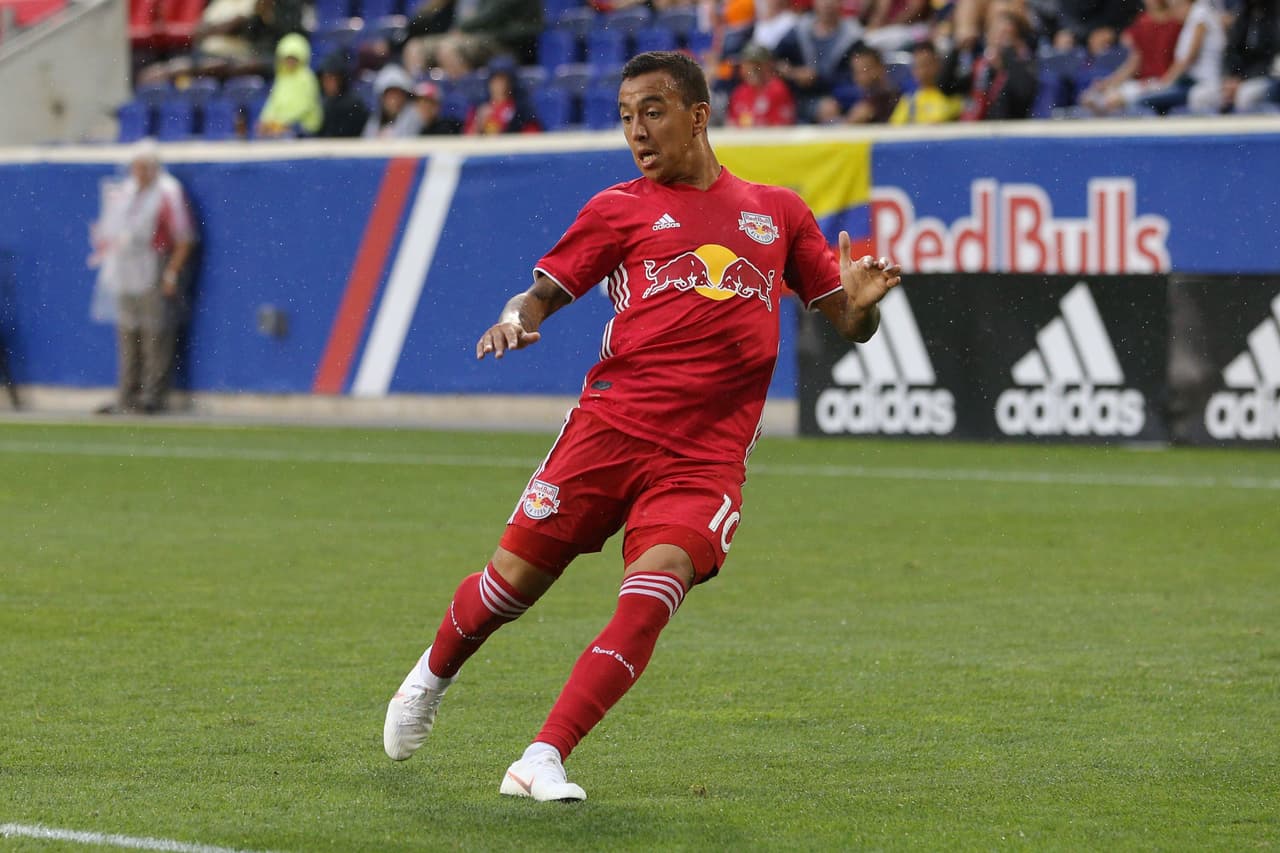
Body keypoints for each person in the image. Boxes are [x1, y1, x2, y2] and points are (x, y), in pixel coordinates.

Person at [382, 50, 902, 802]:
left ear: (698, 115)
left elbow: (849, 322)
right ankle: (430, 676)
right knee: (508, 588)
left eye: (652, 112)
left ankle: (541, 756)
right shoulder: (618, 208)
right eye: (626, 116)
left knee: (653, 592)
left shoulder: (778, 212)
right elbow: (541, 294)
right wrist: (513, 320)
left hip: (705, 457)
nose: (637, 131)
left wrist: (865, 299)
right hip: (609, 431)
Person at [88, 140, 196, 415]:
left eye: (143, 166)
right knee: (127, 334)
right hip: (125, 269)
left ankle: (152, 396)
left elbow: (184, 237)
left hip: (153, 265)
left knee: (155, 334)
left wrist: (171, 273)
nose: (138, 172)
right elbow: (111, 231)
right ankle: (126, 395)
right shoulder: (125, 192)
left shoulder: (168, 192)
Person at [1078, 0, 1182, 115]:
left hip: (1166, 82)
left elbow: (1183, 60)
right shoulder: (1142, 22)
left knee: (1113, 100)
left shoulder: (1178, 21)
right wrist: (1109, 83)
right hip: (1144, 82)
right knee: (1091, 96)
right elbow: (1134, 63)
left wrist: (1166, 83)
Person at [255, 33, 323, 138]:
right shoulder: (281, 78)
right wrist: (265, 120)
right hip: (282, 127)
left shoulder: (306, 77)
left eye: (293, 58)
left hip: (303, 127)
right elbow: (272, 104)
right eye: (287, 58)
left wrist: (282, 122)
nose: (290, 62)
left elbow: (304, 106)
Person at [815, 43, 901, 122]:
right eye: (857, 72)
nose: (861, 77)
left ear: (880, 68)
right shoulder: (860, 96)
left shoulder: (890, 96)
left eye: (866, 70)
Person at [889, 39, 965, 123]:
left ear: (938, 64)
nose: (923, 71)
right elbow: (895, 129)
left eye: (927, 64)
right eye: (918, 66)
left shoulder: (953, 96)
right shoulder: (909, 100)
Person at [726, 41, 798, 126]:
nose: (752, 70)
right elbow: (731, 125)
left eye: (757, 65)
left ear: (768, 66)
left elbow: (781, 128)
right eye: (747, 65)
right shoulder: (739, 92)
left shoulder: (778, 90)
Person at [316, 51, 372, 138]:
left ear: (341, 79)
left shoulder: (354, 104)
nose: (329, 83)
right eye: (325, 79)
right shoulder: (321, 103)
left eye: (332, 78)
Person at [362, 64, 424, 138]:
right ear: (382, 97)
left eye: (398, 94)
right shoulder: (376, 118)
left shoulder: (415, 115)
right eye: (390, 95)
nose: (394, 100)